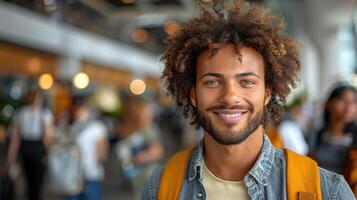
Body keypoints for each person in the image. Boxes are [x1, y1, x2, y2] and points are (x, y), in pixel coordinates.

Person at [142, 0, 355, 199]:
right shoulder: (160, 186)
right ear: (193, 95)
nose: (230, 97)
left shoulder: (326, 190)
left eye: (247, 82)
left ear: (267, 94)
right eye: (212, 82)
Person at [6, 91, 54, 200]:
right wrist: (48, 151)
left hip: (25, 147)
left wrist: (11, 158)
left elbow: (15, 138)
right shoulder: (45, 114)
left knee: (28, 179)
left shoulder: (21, 113)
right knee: (38, 181)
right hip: (39, 148)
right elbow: (47, 137)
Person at [117, 96, 163, 200]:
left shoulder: (148, 128)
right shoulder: (131, 127)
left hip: (147, 173)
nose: (149, 112)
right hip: (136, 174)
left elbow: (157, 151)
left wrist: (139, 158)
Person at [65, 96, 109, 200]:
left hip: (79, 174)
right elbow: (103, 155)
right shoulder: (98, 127)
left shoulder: (74, 126)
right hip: (88, 172)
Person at [311, 85, 357, 174]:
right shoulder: (317, 135)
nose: (349, 106)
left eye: (353, 101)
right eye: (342, 99)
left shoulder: (354, 139)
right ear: (329, 104)